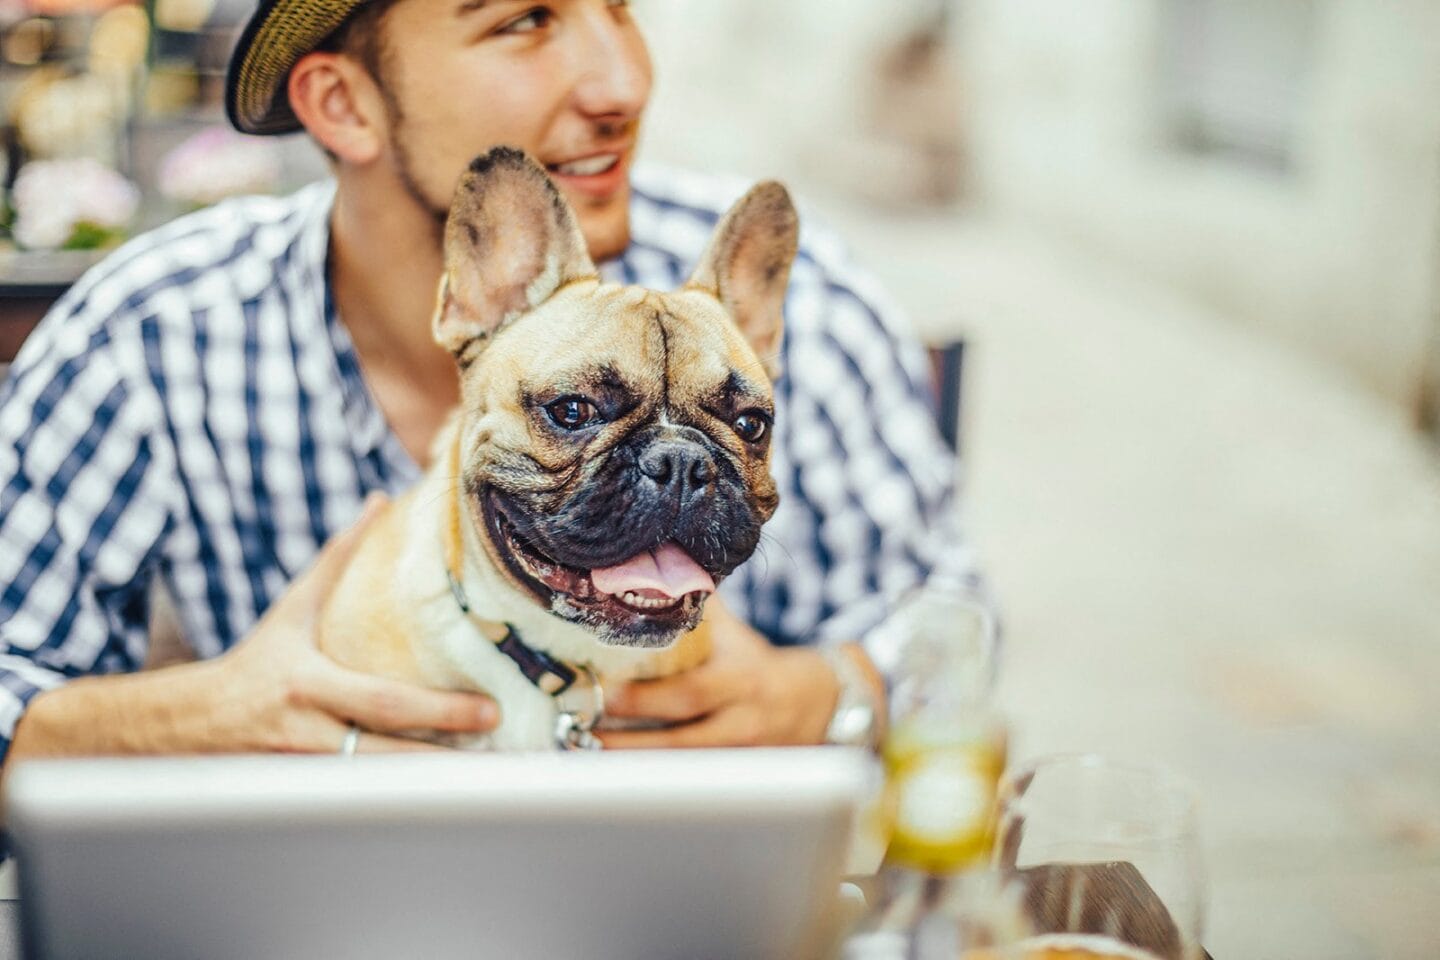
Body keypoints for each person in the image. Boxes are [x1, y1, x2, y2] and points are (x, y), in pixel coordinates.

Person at [0, 0, 982, 770]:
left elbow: (952, 625)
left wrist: (827, 693)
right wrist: (198, 718)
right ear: (344, 103)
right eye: (523, 20)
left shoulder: (808, 308)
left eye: (622, 6)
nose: (623, 82)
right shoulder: (155, 336)